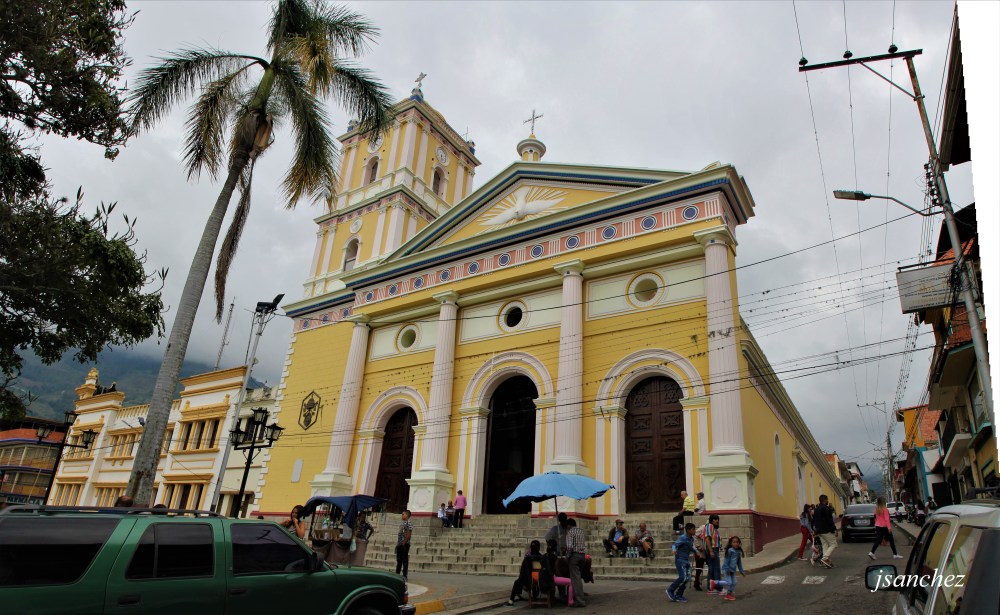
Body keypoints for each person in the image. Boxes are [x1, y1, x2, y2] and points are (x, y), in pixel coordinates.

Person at [507, 540, 551, 606]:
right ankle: (536, 595)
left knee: (517, 582)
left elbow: (522, 573)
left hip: (529, 582)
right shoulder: (542, 558)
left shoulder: (527, 559)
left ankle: (511, 600)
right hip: (540, 582)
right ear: (538, 547)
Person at [666, 522, 697, 603]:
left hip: (686, 561)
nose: (695, 531)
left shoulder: (691, 539)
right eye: (693, 529)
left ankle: (679, 595)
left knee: (687, 578)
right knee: (682, 577)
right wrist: (674, 550)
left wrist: (698, 552)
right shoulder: (683, 538)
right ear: (688, 530)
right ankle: (670, 590)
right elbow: (674, 545)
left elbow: (692, 548)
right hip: (680, 560)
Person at [710, 535, 746, 601]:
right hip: (727, 569)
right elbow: (726, 561)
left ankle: (728, 594)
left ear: (739, 543)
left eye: (737, 542)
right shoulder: (730, 551)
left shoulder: (738, 552)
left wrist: (742, 571)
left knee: (734, 582)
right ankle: (714, 582)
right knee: (729, 582)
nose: (735, 543)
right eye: (734, 542)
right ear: (731, 543)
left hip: (733, 570)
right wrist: (727, 570)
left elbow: (739, 563)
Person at [564, 518, 588, 608]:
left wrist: (567, 557)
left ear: (569, 525)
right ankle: (575, 596)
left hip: (574, 556)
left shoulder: (570, 532)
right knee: (578, 578)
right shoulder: (581, 531)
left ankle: (580, 601)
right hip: (582, 556)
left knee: (575, 579)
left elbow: (569, 547)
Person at [545, 539, 574, 605]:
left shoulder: (543, 556)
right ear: (555, 547)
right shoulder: (554, 557)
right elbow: (557, 571)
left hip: (542, 579)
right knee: (570, 581)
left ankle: (560, 595)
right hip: (551, 579)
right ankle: (570, 601)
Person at [812, 494, 838, 568]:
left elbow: (813, 521)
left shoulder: (816, 509)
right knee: (834, 544)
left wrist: (814, 530)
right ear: (825, 500)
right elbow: (829, 520)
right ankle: (824, 558)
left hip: (819, 531)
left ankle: (826, 563)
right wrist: (834, 529)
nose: (827, 501)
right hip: (826, 530)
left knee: (825, 546)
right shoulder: (826, 508)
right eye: (827, 499)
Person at [702, 514, 723, 593]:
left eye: (717, 519)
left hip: (715, 549)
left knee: (715, 568)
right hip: (712, 549)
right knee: (713, 568)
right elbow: (707, 539)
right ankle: (712, 586)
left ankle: (715, 585)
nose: (717, 521)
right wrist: (711, 551)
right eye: (714, 519)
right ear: (711, 520)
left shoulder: (715, 529)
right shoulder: (709, 526)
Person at [396, 509, 413, 579]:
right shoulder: (402, 523)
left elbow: (408, 534)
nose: (402, 515)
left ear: (407, 515)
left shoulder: (409, 523)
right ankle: (397, 573)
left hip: (405, 544)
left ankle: (404, 575)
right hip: (400, 544)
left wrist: (403, 543)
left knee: (404, 560)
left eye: (403, 514)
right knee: (399, 560)